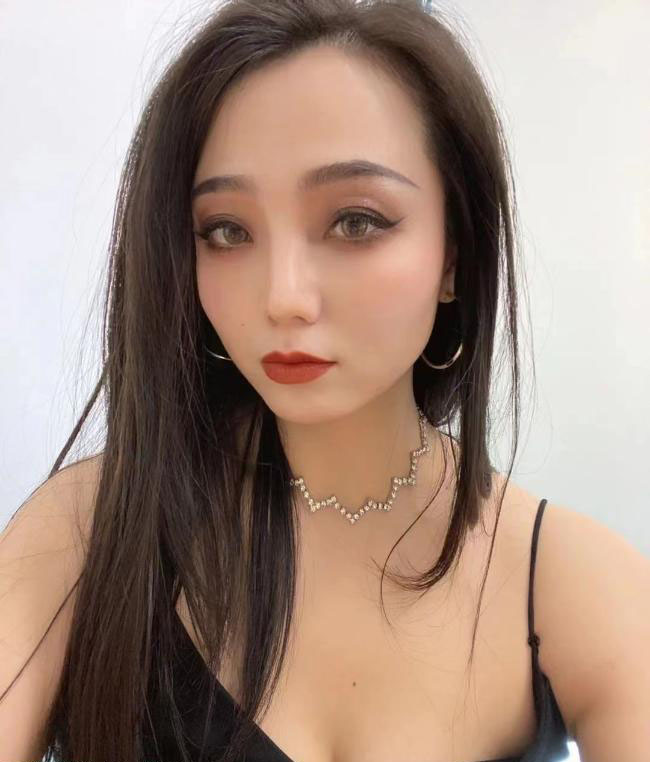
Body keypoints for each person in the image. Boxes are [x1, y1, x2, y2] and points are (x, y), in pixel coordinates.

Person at [1, 1, 648, 761]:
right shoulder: (88, 529)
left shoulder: (570, 581)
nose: (283, 297)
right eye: (227, 231)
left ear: (454, 254)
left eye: (356, 221)